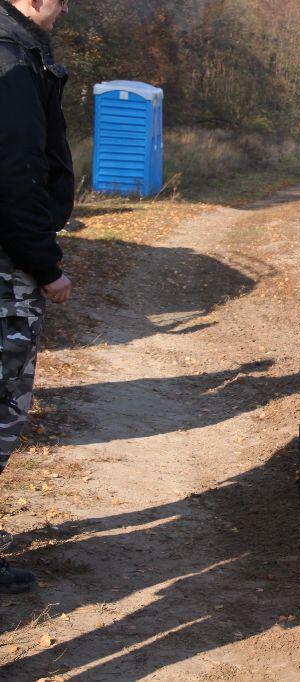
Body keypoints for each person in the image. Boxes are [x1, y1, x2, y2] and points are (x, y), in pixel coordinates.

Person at [0, 0, 74, 594]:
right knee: (3, 410)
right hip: (8, 269)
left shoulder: (21, 52)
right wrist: (46, 267)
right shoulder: (11, 60)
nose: (66, 5)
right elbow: (16, 177)